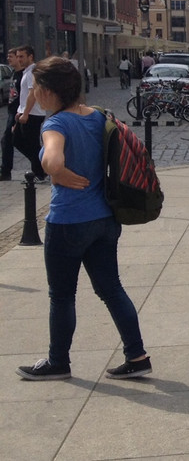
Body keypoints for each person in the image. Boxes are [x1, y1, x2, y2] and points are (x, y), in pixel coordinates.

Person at [16, 57, 151, 381]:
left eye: (36, 87)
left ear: (49, 92)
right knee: (112, 289)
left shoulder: (55, 124)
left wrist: (57, 170)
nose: (33, 92)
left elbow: (52, 157)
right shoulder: (98, 116)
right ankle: (137, 355)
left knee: (61, 295)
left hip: (69, 222)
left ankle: (58, 362)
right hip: (105, 218)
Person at [14, 45, 48, 181]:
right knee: (16, 140)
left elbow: (32, 93)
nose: (19, 59)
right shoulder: (26, 71)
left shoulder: (32, 71)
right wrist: (20, 111)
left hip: (33, 114)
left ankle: (40, 172)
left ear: (30, 57)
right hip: (26, 112)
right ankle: (41, 167)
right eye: (17, 56)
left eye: (21, 56)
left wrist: (26, 113)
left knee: (31, 144)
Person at [1, 48, 19, 181]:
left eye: (11, 56)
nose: (8, 58)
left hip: (19, 111)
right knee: (8, 140)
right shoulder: (13, 72)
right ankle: (5, 170)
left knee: (13, 140)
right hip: (12, 111)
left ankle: (6, 171)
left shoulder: (23, 74)